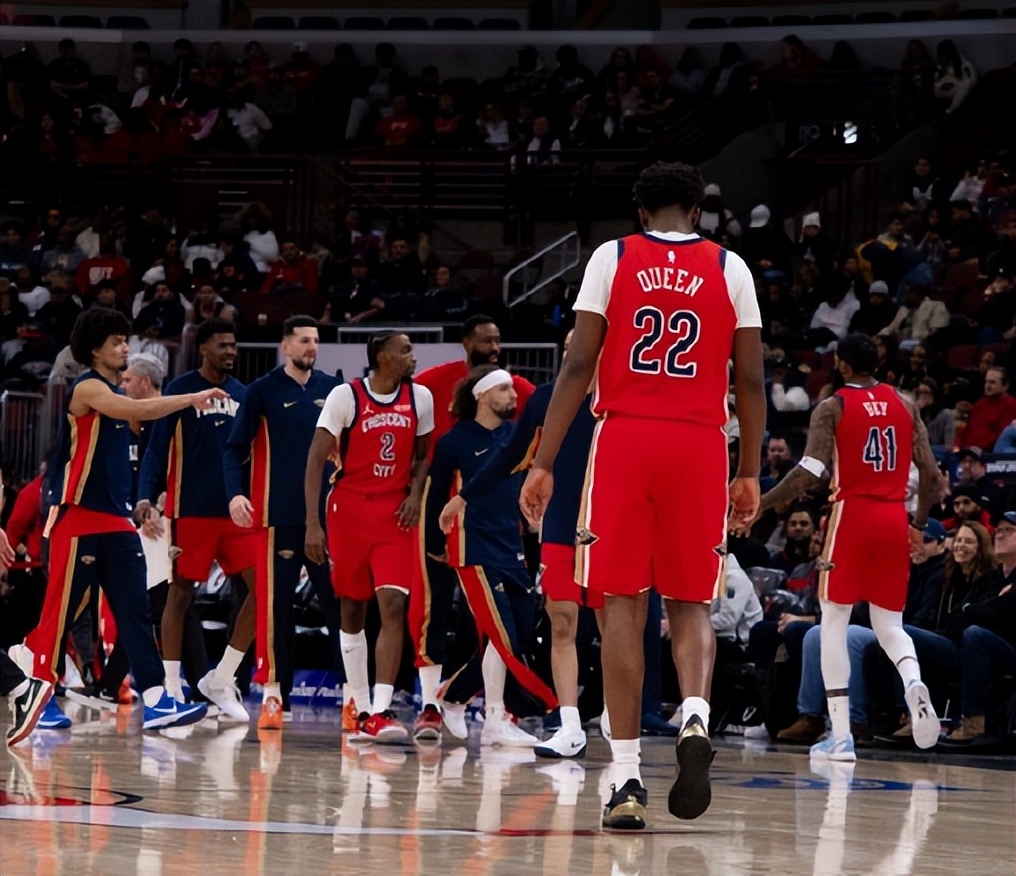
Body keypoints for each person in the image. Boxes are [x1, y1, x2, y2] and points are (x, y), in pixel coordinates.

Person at [520, 162, 766, 829]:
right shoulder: (731, 268)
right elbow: (749, 380)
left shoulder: (614, 256)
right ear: (697, 211)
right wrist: (748, 471)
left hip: (626, 440)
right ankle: (695, 713)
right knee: (691, 602)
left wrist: (544, 461)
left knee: (622, 607)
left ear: (640, 212)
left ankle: (626, 778)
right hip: (700, 444)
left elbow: (578, 363)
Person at [20, 308, 218, 733]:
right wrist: (190, 397)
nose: (125, 347)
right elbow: (137, 408)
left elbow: (143, 417)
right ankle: (39, 694)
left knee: (136, 612)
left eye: (126, 340)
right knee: (61, 615)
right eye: (117, 341)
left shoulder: (113, 392)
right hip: (77, 518)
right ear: (95, 349)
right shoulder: (88, 388)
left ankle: (156, 699)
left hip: (116, 521)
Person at [752, 333, 942, 761]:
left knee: (833, 623)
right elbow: (931, 476)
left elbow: (810, 472)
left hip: (852, 515)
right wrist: (918, 525)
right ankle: (913, 681)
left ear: (841, 364)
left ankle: (841, 736)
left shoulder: (833, 406)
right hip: (894, 518)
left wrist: (763, 503)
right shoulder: (905, 403)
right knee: (889, 624)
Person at [438, 330, 603, 758]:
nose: (575, 351)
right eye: (568, 346)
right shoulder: (544, 399)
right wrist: (462, 497)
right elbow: (511, 455)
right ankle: (567, 724)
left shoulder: (621, 399)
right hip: (553, 529)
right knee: (557, 625)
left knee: (610, 627)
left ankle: (615, 715)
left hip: (608, 527)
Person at [304, 332, 433, 743]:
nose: (412, 356)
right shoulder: (347, 396)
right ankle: (359, 707)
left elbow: (423, 456)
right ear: (381, 355)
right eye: (405, 349)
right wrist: (312, 524)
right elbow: (315, 459)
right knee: (352, 609)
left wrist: (414, 494)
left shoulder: (421, 397)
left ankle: (381, 709)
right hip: (349, 511)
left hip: (395, 514)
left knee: (393, 605)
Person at [137, 318, 260, 724]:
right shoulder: (180, 390)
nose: (231, 351)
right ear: (203, 348)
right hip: (190, 510)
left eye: (234, 345)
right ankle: (172, 687)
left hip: (236, 513)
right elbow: (156, 450)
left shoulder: (244, 394)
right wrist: (145, 497)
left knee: (264, 592)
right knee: (180, 595)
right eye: (223, 345)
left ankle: (221, 678)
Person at [224, 316, 342, 733]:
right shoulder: (261, 391)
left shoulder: (334, 389)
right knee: (276, 609)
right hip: (277, 516)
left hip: (329, 520)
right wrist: (235, 494)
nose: (312, 347)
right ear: (285, 345)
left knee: (340, 607)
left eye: (316, 340)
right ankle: (274, 693)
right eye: (304, 340)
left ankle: (354, 696)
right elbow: (233, 448)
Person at [432, 365, 559, 746]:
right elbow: (436, 496)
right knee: (502, 635)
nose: (514, 395)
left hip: (512, 544)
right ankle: (496, 717)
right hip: (473, 546)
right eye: (504, 389)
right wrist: (434, 545)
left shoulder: (517, 437)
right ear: (482, 395)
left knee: (516, 634)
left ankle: (453, 696)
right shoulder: (454, 441)